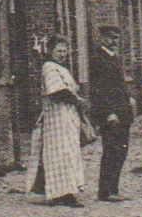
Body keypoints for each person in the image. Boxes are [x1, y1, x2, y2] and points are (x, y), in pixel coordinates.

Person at [27, 35, 87, 207]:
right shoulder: (49, 67)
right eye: (58, 51)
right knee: (61, 154)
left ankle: (66, 191)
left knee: (69, 152)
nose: (62, 54)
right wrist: (76, 99)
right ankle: (63, 193)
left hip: (67, 116)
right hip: (56, 117)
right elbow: (57, 92)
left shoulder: (62, 68)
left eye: (64, 51)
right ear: (51, 51)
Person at [88, 26, 136, 202]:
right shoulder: (98, 59)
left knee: (121, 151)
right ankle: (105, 191)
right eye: (111, 38)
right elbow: (98, 89)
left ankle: (114, 189)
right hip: (111, 114)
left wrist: (128, 97)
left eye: (116, 38)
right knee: (110, 151)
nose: (115, 42)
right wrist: (108, 112)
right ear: (103, 39)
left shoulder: (114, 58)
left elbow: (118, 84)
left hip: (122, 111)